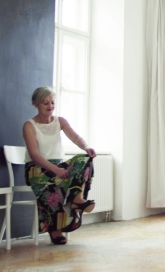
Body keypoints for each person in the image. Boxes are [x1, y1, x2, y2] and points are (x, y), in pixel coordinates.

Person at [23, 87, 97, 245]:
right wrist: (56, 170)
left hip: (58, 166)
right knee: (52, 189)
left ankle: (76, 199)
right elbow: (35, 155)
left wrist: (86, 147)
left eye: (52, 102)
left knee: (85, 159)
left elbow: (76, 137)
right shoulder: (29, 125)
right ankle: (55, 230)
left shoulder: (60, 121)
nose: (50, 106)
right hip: (36, 169)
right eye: (45, 103)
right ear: (36, 104)